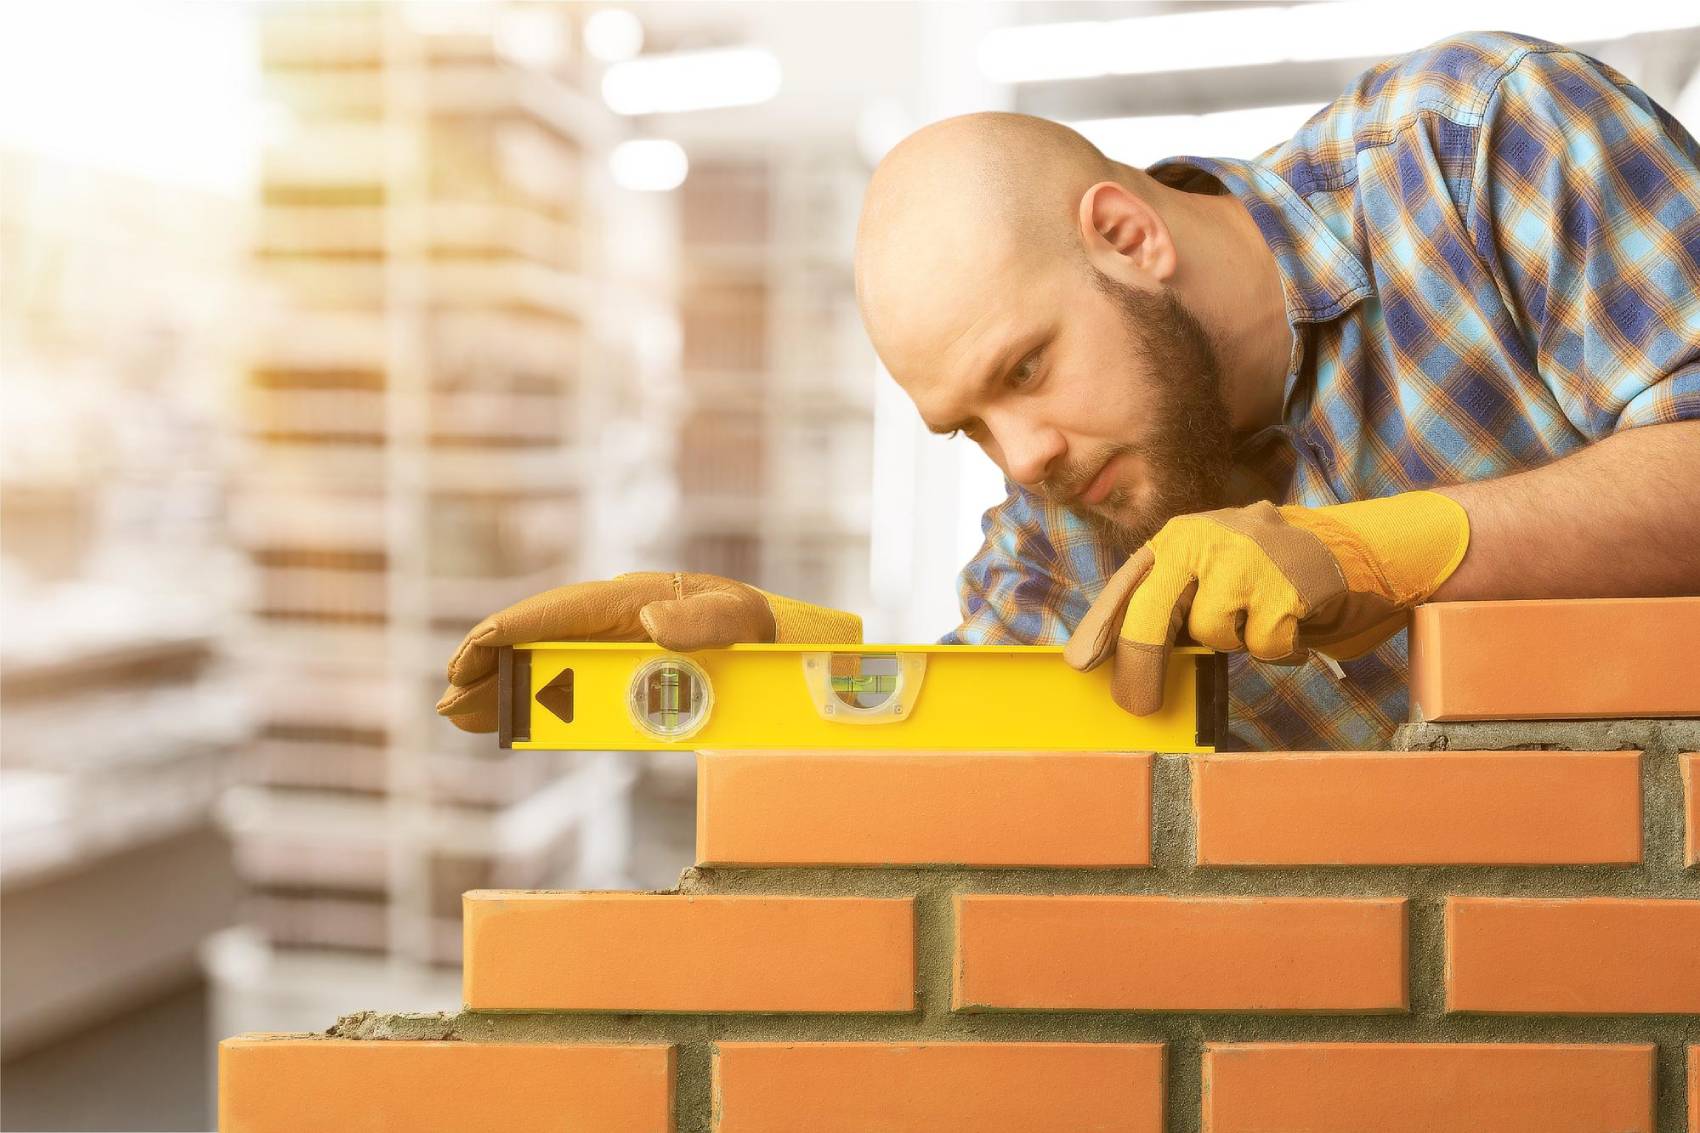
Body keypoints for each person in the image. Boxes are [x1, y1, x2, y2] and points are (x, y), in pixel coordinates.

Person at [438, 31, 1699, 751]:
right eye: (968, 426)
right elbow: (975, 759)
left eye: (1022, 370)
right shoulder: (1079, 514)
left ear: (1127, 236)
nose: (1020, 456)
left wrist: (1385, 553)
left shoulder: (1480, 147)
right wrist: (763, 676)